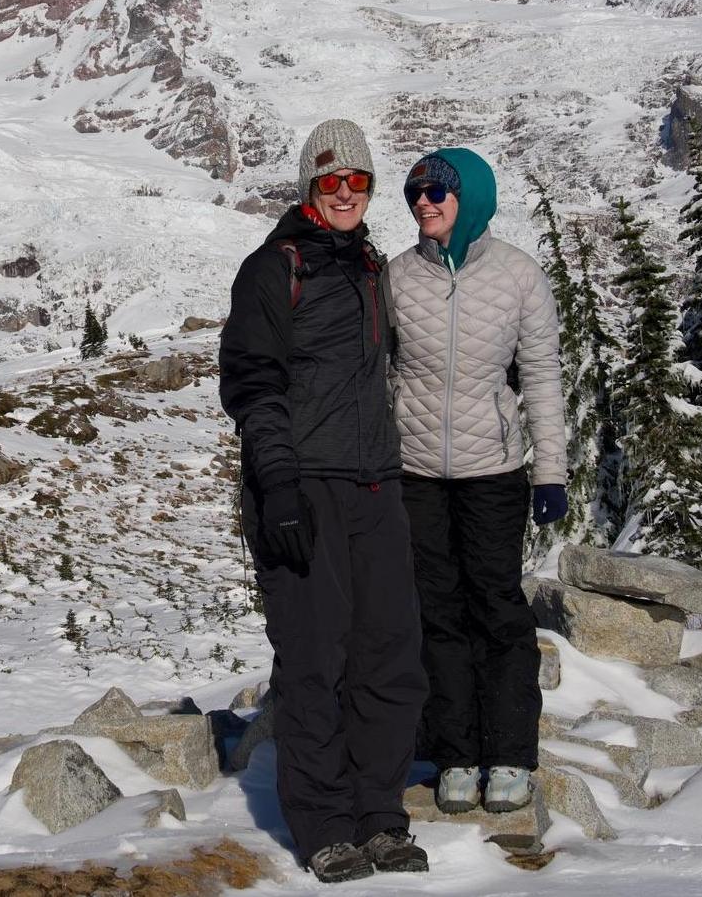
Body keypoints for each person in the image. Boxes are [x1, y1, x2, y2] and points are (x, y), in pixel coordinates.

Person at [220, 119, 428, 884]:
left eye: (359, 181)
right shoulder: (273, 268)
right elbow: (253, 382)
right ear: (310, 185)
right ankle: (326, 828)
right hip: (303, 487)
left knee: (390, 657)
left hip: (376, 484)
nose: (345, 193)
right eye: (331, 180)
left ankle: (381, 816)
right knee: (314, 661)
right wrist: (277, 483)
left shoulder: (368, 265)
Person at [384, 148, 566, 816]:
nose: (422, 202)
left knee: (496, 609)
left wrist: (549, 470)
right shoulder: (397, 278)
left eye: (435, 190)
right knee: (436, 614)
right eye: (414, 193)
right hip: (417, 474)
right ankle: (456, 753)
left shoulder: (519, 276)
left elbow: (542, 377)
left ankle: (512, 753)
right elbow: (381, 373)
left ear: (473, 197)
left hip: (494, 472)